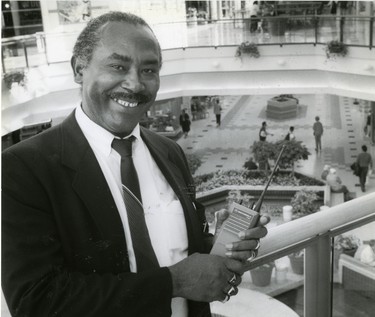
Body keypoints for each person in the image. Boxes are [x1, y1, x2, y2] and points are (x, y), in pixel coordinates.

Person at [2, 12, 270, 317]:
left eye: (148, 70)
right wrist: (173, 283)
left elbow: (177, 249)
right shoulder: (23, 168)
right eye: (118, 66)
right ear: (79, 69)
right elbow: (35, 301)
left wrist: (217, 244)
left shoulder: (169, 152)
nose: (135, 84)